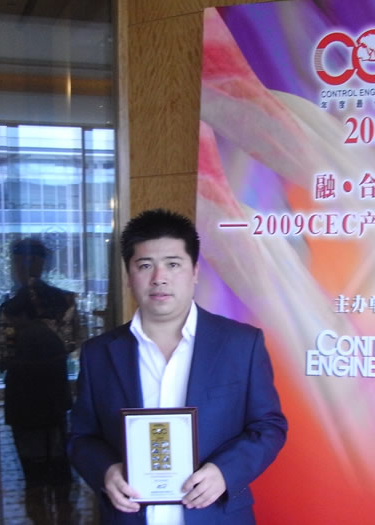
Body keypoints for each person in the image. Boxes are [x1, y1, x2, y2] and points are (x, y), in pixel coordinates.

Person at [68, 209, 287, 525]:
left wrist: (225, 472)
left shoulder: (241, 344)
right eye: (145, 265)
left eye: (173, 264)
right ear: (128, 276)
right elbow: (81, 436)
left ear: (195, 271)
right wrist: (105, 471)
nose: (159, 278)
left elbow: (268, 426)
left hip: (216, 516)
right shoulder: (98, 354)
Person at [0, 238, 79, 522]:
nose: (23, 266)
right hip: (48, 390)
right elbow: (70, 343)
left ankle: (47, 515)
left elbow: (2, 355)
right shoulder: (63, 301)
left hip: (29, 392)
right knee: (54, 461)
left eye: (27, 260)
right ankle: (58, 514)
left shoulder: (11, 306)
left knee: (39, 467)